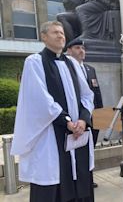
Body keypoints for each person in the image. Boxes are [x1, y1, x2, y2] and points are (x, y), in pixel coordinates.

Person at [11, 21, 95, 202]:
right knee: (53, 178)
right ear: (44, 37)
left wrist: (83, 119)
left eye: (62, 33)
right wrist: (66, 121)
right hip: (50, 135)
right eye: (55, 32)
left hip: (76, 133)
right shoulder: (34, 62)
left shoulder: (72, 63)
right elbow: (40, 99)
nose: (60, 36)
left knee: (78, 175)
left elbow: (87, 95)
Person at [66, 37, 103, 188]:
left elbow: (96, 93)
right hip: (77, 118)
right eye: (77, 48)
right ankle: (75, 180)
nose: (81, 51)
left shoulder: (90, 69)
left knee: (90, 149)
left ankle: (88, 178)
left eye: (83, 48)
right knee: (76, 150)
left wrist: (100, 113)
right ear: (69, 50)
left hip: (92, 117)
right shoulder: (67, 68)